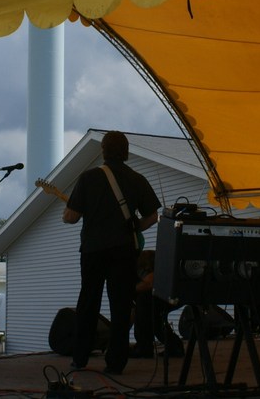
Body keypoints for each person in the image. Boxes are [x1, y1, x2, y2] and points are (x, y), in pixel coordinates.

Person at [63, 130, 161, 375]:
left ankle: (80, 358)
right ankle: (116, 362)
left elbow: (71, 217)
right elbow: (153, 216)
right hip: (124, 251)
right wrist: (134, 226)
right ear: (126, 152)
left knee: (89, 302)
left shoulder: (89, 178)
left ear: (103, 151)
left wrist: (68, 212)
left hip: (93, 250)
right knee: (120, 305)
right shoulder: (137, 179)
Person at [130, 249, 184, 359]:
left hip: (170, 294)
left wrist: (130, 290)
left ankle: (144, 347)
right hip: (170, 294)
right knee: (153, 317)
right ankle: (174, 346)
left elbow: (150, 282)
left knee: (145, 304)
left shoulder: (144, 264)